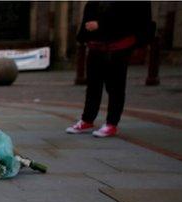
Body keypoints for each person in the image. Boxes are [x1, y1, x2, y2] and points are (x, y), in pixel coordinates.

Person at [66, 1, 154, 137]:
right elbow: (91, 9)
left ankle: (112, 123)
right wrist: (85, 33)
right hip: (96, 46)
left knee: (115, 87)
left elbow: (131, 19)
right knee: (93, 86)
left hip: (118, 47)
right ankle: (87, 119)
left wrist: (100, 25)